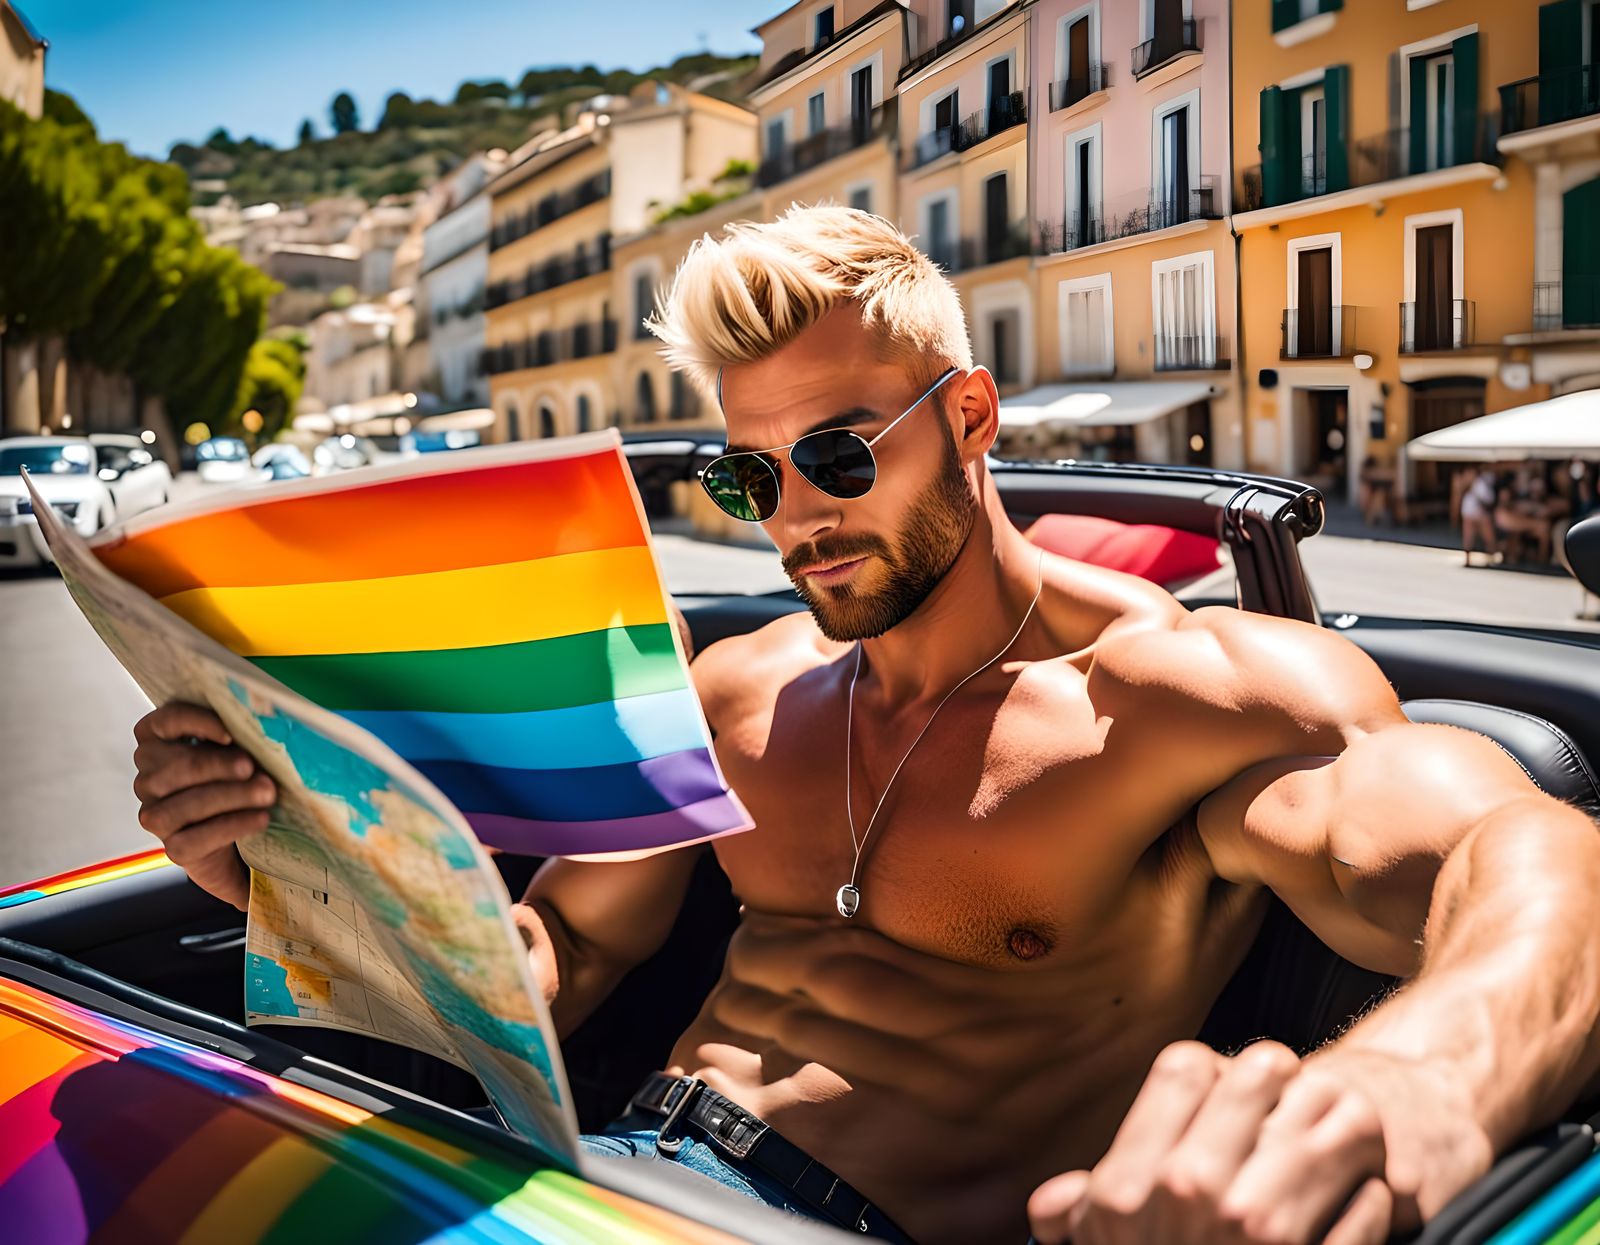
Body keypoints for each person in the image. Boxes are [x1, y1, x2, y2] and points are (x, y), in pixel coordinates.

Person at [130, 207, 1600, 1245]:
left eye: (837, 454)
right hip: (590, 1170)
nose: (796, 517)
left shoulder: (1176, 696)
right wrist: (290, 881)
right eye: (748, 475)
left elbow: (1531, 851)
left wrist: (1412, 1083)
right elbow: (555, 962)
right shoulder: (735, 690)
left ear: (970, 415)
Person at [1458, 466, 1498, 567]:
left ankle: (1490, 559)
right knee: (1468, 537)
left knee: (1488, 537)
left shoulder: (1481, 484)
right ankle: (1467, 559)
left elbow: (1489, 500)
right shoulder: (1463, 485)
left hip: (1481, 516)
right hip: (1468, 515)